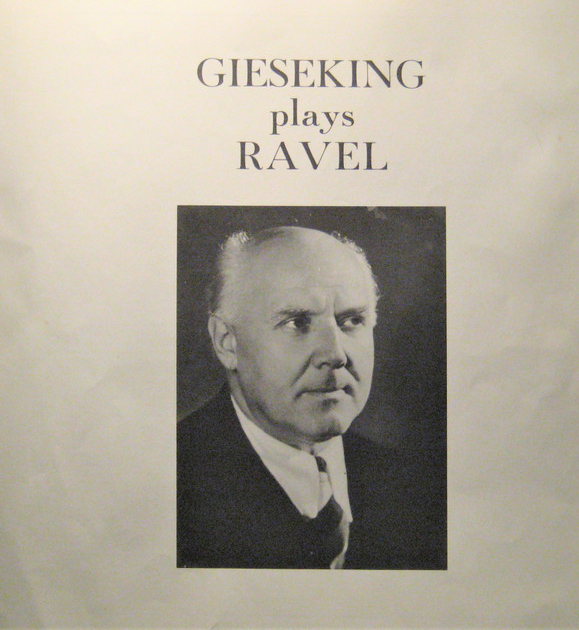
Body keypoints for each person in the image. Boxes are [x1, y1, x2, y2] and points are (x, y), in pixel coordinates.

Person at [177, 225, 445, 569]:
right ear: (227, 343)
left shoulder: (421, 490)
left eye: (352, 321)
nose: (335, 355)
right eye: (297, 323)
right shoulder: (171, 484)